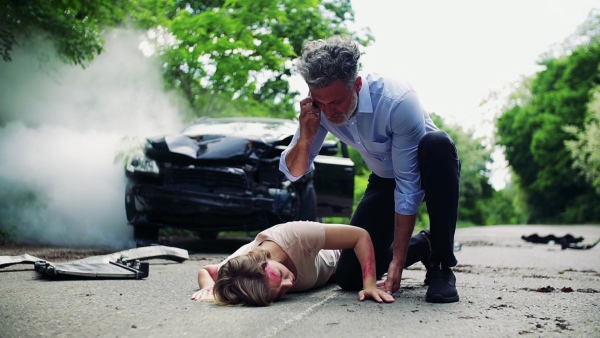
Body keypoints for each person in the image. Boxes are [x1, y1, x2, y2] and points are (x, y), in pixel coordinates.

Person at [279, 35, 461, 303]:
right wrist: (305, 138)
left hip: (430, 166)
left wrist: (397, 264)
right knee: (350, 277)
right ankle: (424, 244)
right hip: (384, 177)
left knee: (437, 144)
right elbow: (293, 172)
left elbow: (408, 186)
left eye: (337, 102)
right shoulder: (319, 107)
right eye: (321, 102)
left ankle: (441, 264)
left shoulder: (396, 99)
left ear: (357, 84)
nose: (329, 113)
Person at [191, 221, 431, 306]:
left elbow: (360, 236)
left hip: (341, 258)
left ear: (266, 261)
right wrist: (207, 286)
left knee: (353, 275)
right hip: (327, 275)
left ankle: (425, 242)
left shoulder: (295, 235)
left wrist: (369, 284)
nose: (289, 284)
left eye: (281, 277)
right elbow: (208, 271)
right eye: (280, 293)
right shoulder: (238, 272)